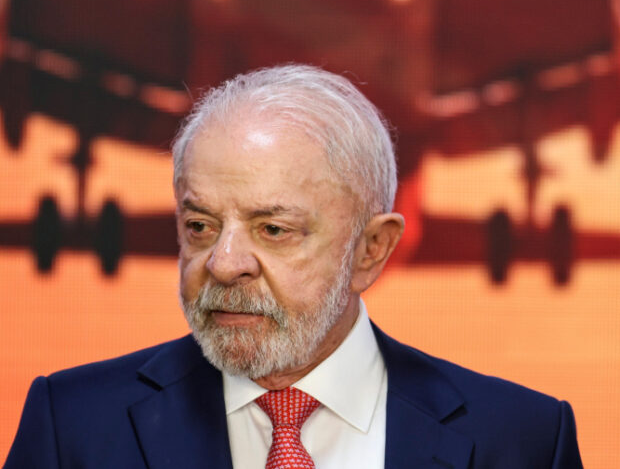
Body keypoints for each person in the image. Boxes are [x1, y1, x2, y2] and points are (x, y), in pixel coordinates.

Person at [5, 64, 582, 468]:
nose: (224, 264)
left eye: (273, 230)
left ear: (371, 250)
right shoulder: (72, 427)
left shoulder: (524, 441)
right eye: (200, 226)